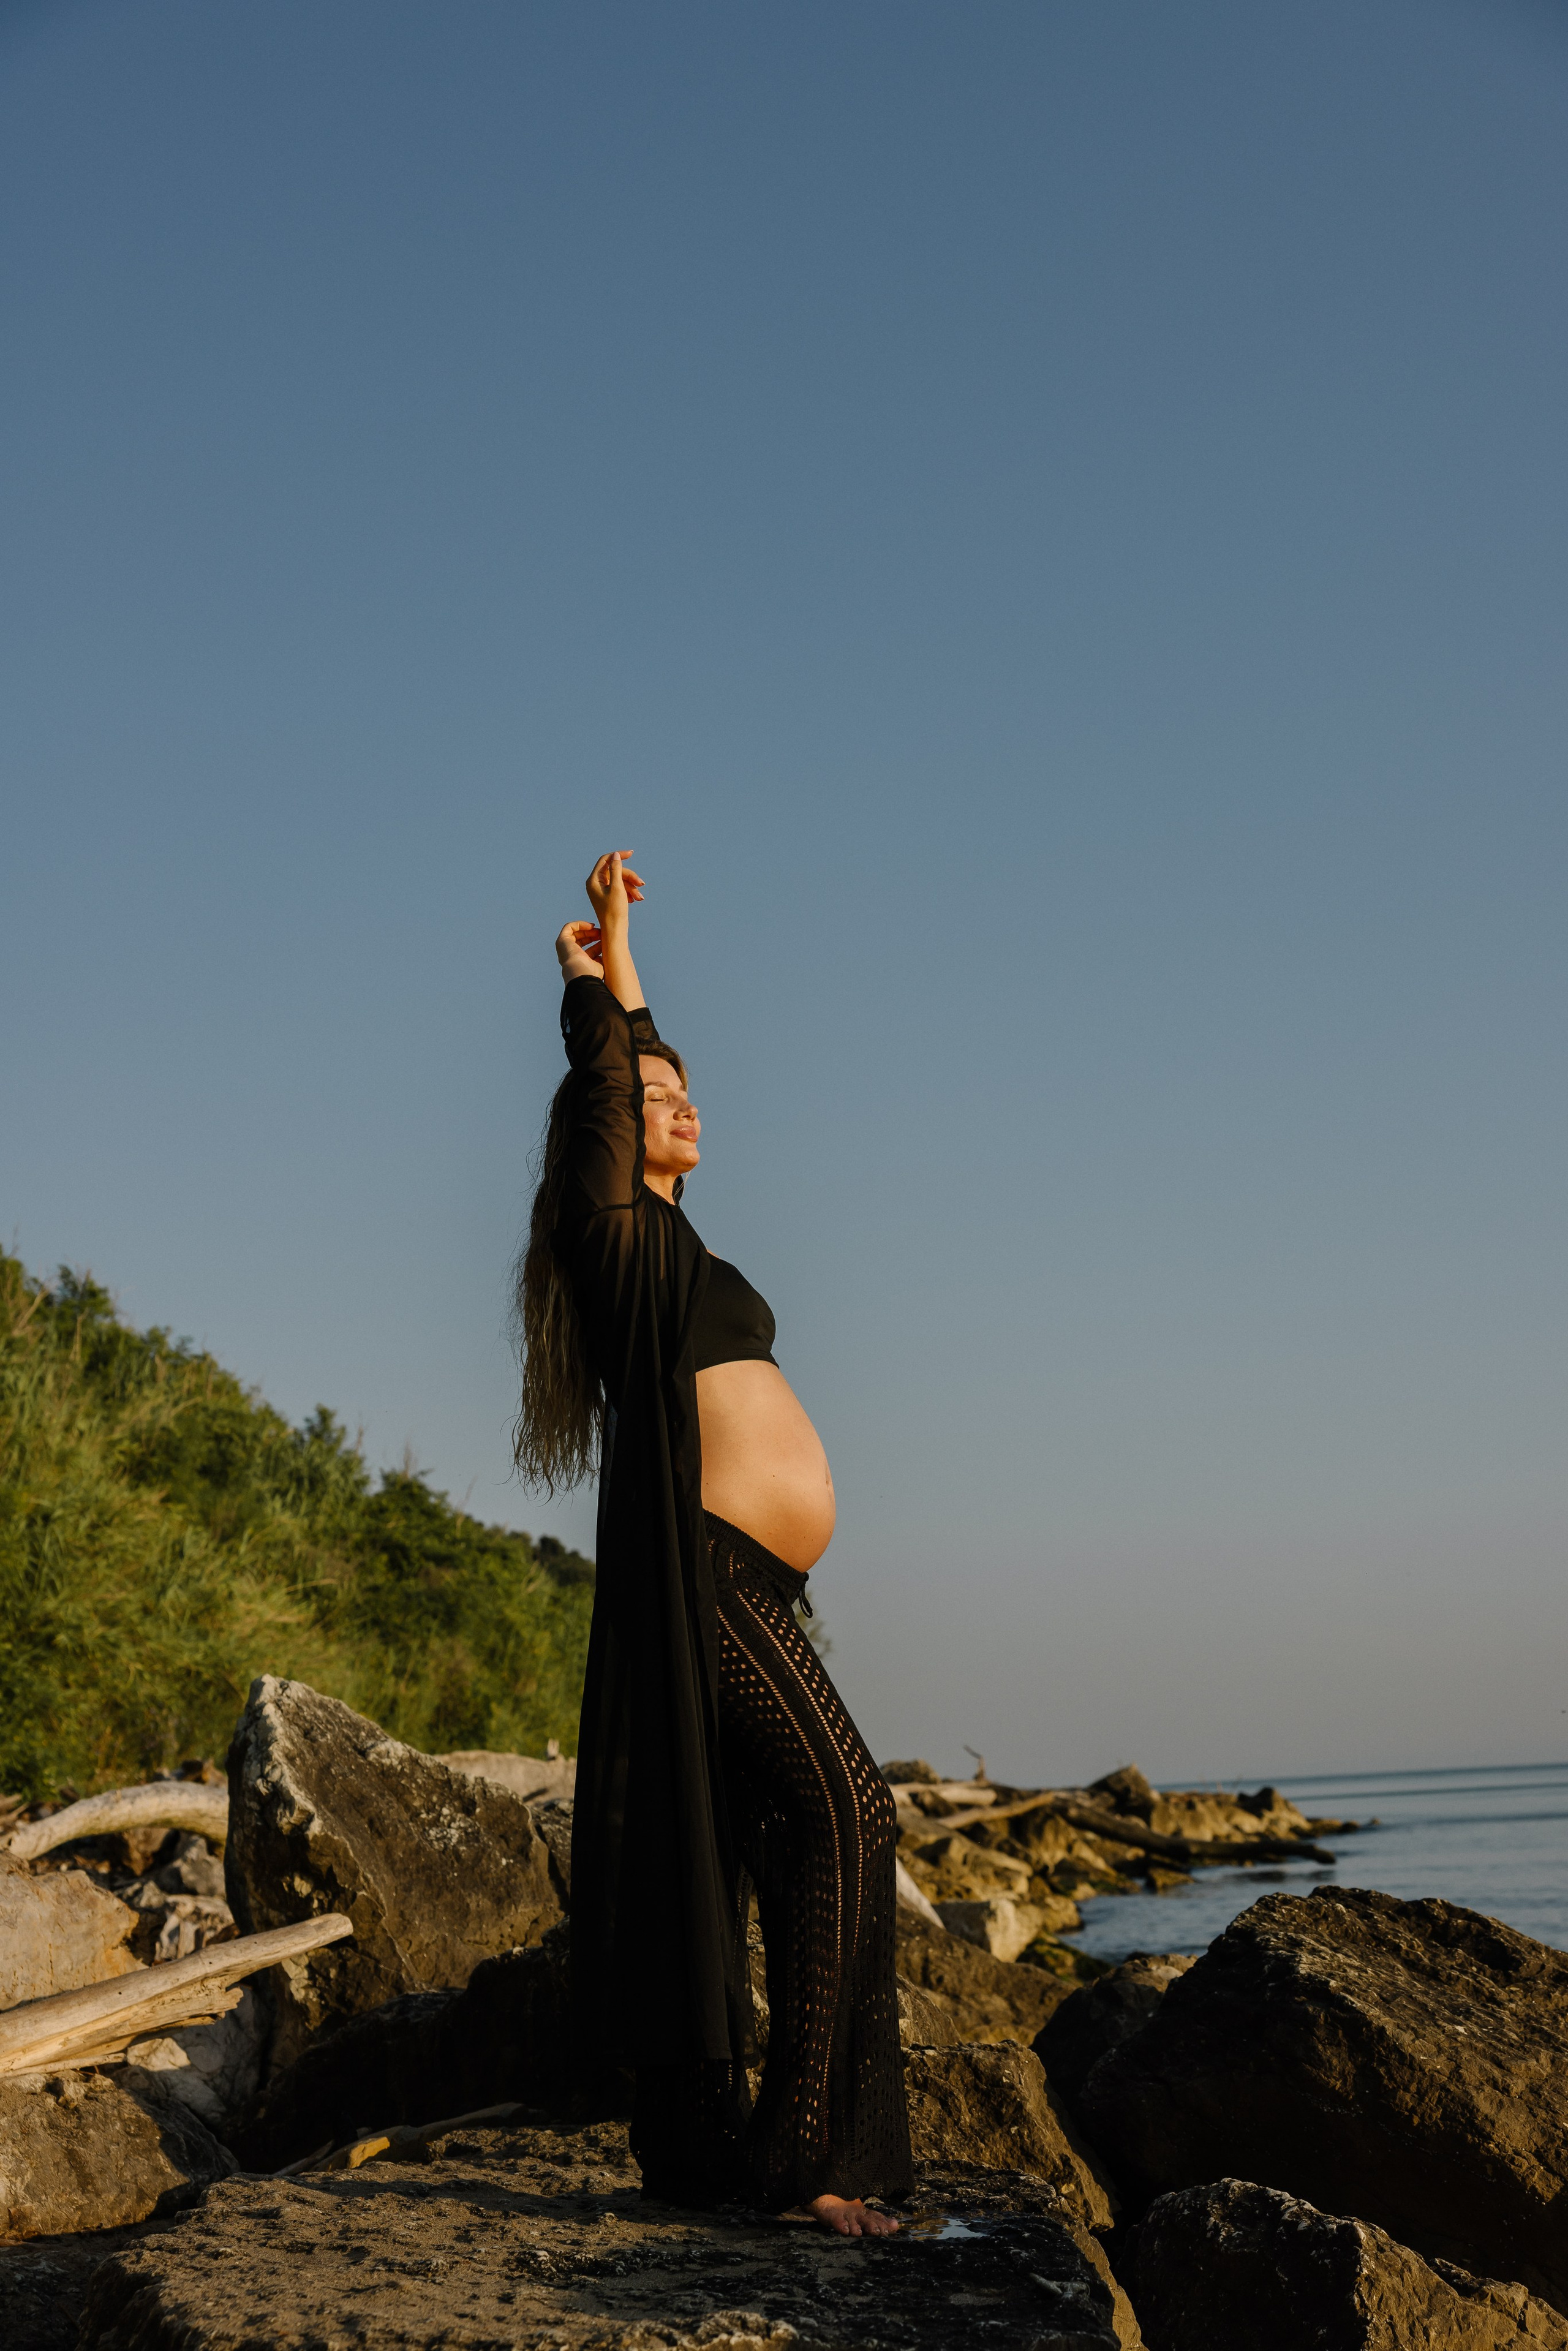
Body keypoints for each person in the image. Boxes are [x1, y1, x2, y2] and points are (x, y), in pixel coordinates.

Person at [514, 850, 912, 2236]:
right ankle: (801, 2163)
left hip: (752, 1583)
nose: (679, 1097)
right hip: (702, 1574)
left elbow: (641, 1062)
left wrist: (627, 952)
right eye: (652, 1091)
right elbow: (614, 1077)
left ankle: (771, 2150)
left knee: (806, 1830)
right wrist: (588, 974)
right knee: (848, 1811)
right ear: (608, 1128)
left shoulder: (679, 1245)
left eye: (689, 1087)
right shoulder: (610, 1239)